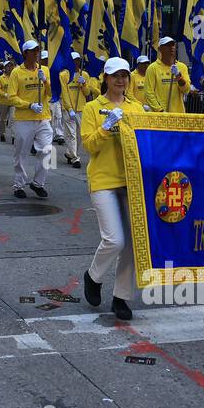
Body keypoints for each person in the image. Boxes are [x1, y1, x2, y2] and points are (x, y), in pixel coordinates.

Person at [80, 57, 146, 320]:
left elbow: (146, 143)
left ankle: (121, 297)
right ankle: (93, 276)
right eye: (115, 75)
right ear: (105, 78)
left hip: (132, 181)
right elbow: (89, 146)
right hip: (104, 180)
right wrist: (107, 127)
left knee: (132, 243)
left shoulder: (138, 108)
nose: (120, 80)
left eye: (124, 75)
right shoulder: (93, 108)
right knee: (114, 239)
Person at [2, 39, 52, 198]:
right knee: (21, 153)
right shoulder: (17, 72)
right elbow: (11, 97)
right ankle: (19, 185)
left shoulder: (44, 70)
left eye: (37, 50)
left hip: (43, 117)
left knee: (47, 151)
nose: (36, 53)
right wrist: (28, 105)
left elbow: (50, 94)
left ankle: (38, 183)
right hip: (24, 119)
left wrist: (45, 80)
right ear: (25, 53)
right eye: (33, 51)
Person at [59, 52, 91, 167]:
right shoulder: (64, 75)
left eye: (77, 60)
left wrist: (84, 84)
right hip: (69, 109)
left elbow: (87, 93)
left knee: (79, 134)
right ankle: (75, 159)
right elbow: (64, 93)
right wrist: (69, 108)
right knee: (71, 134)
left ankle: (70, 153)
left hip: (81, 109)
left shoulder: (85, 75)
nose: (76, 62)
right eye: (74, 60)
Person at [144, 37, 191, 113]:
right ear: (160, 49)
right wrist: (160, 110)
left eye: (173, 45)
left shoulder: (182, 67)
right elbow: (149, 93)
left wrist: (179, 76)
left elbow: (186, 90)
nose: (171, 48)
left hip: (178, 114)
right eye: (167, 45)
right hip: (160, 115)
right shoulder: (152, 68)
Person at [0, 60, 16, 142]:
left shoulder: (15, 77)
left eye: (11, 66)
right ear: (4, 68)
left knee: (13, 118)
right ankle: (2, 134)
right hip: (3, 102)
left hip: (13, 102)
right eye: (8, 66)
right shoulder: (1, 78)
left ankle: (14, 135)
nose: (10, 68)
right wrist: (4, 94)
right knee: (3, 119)